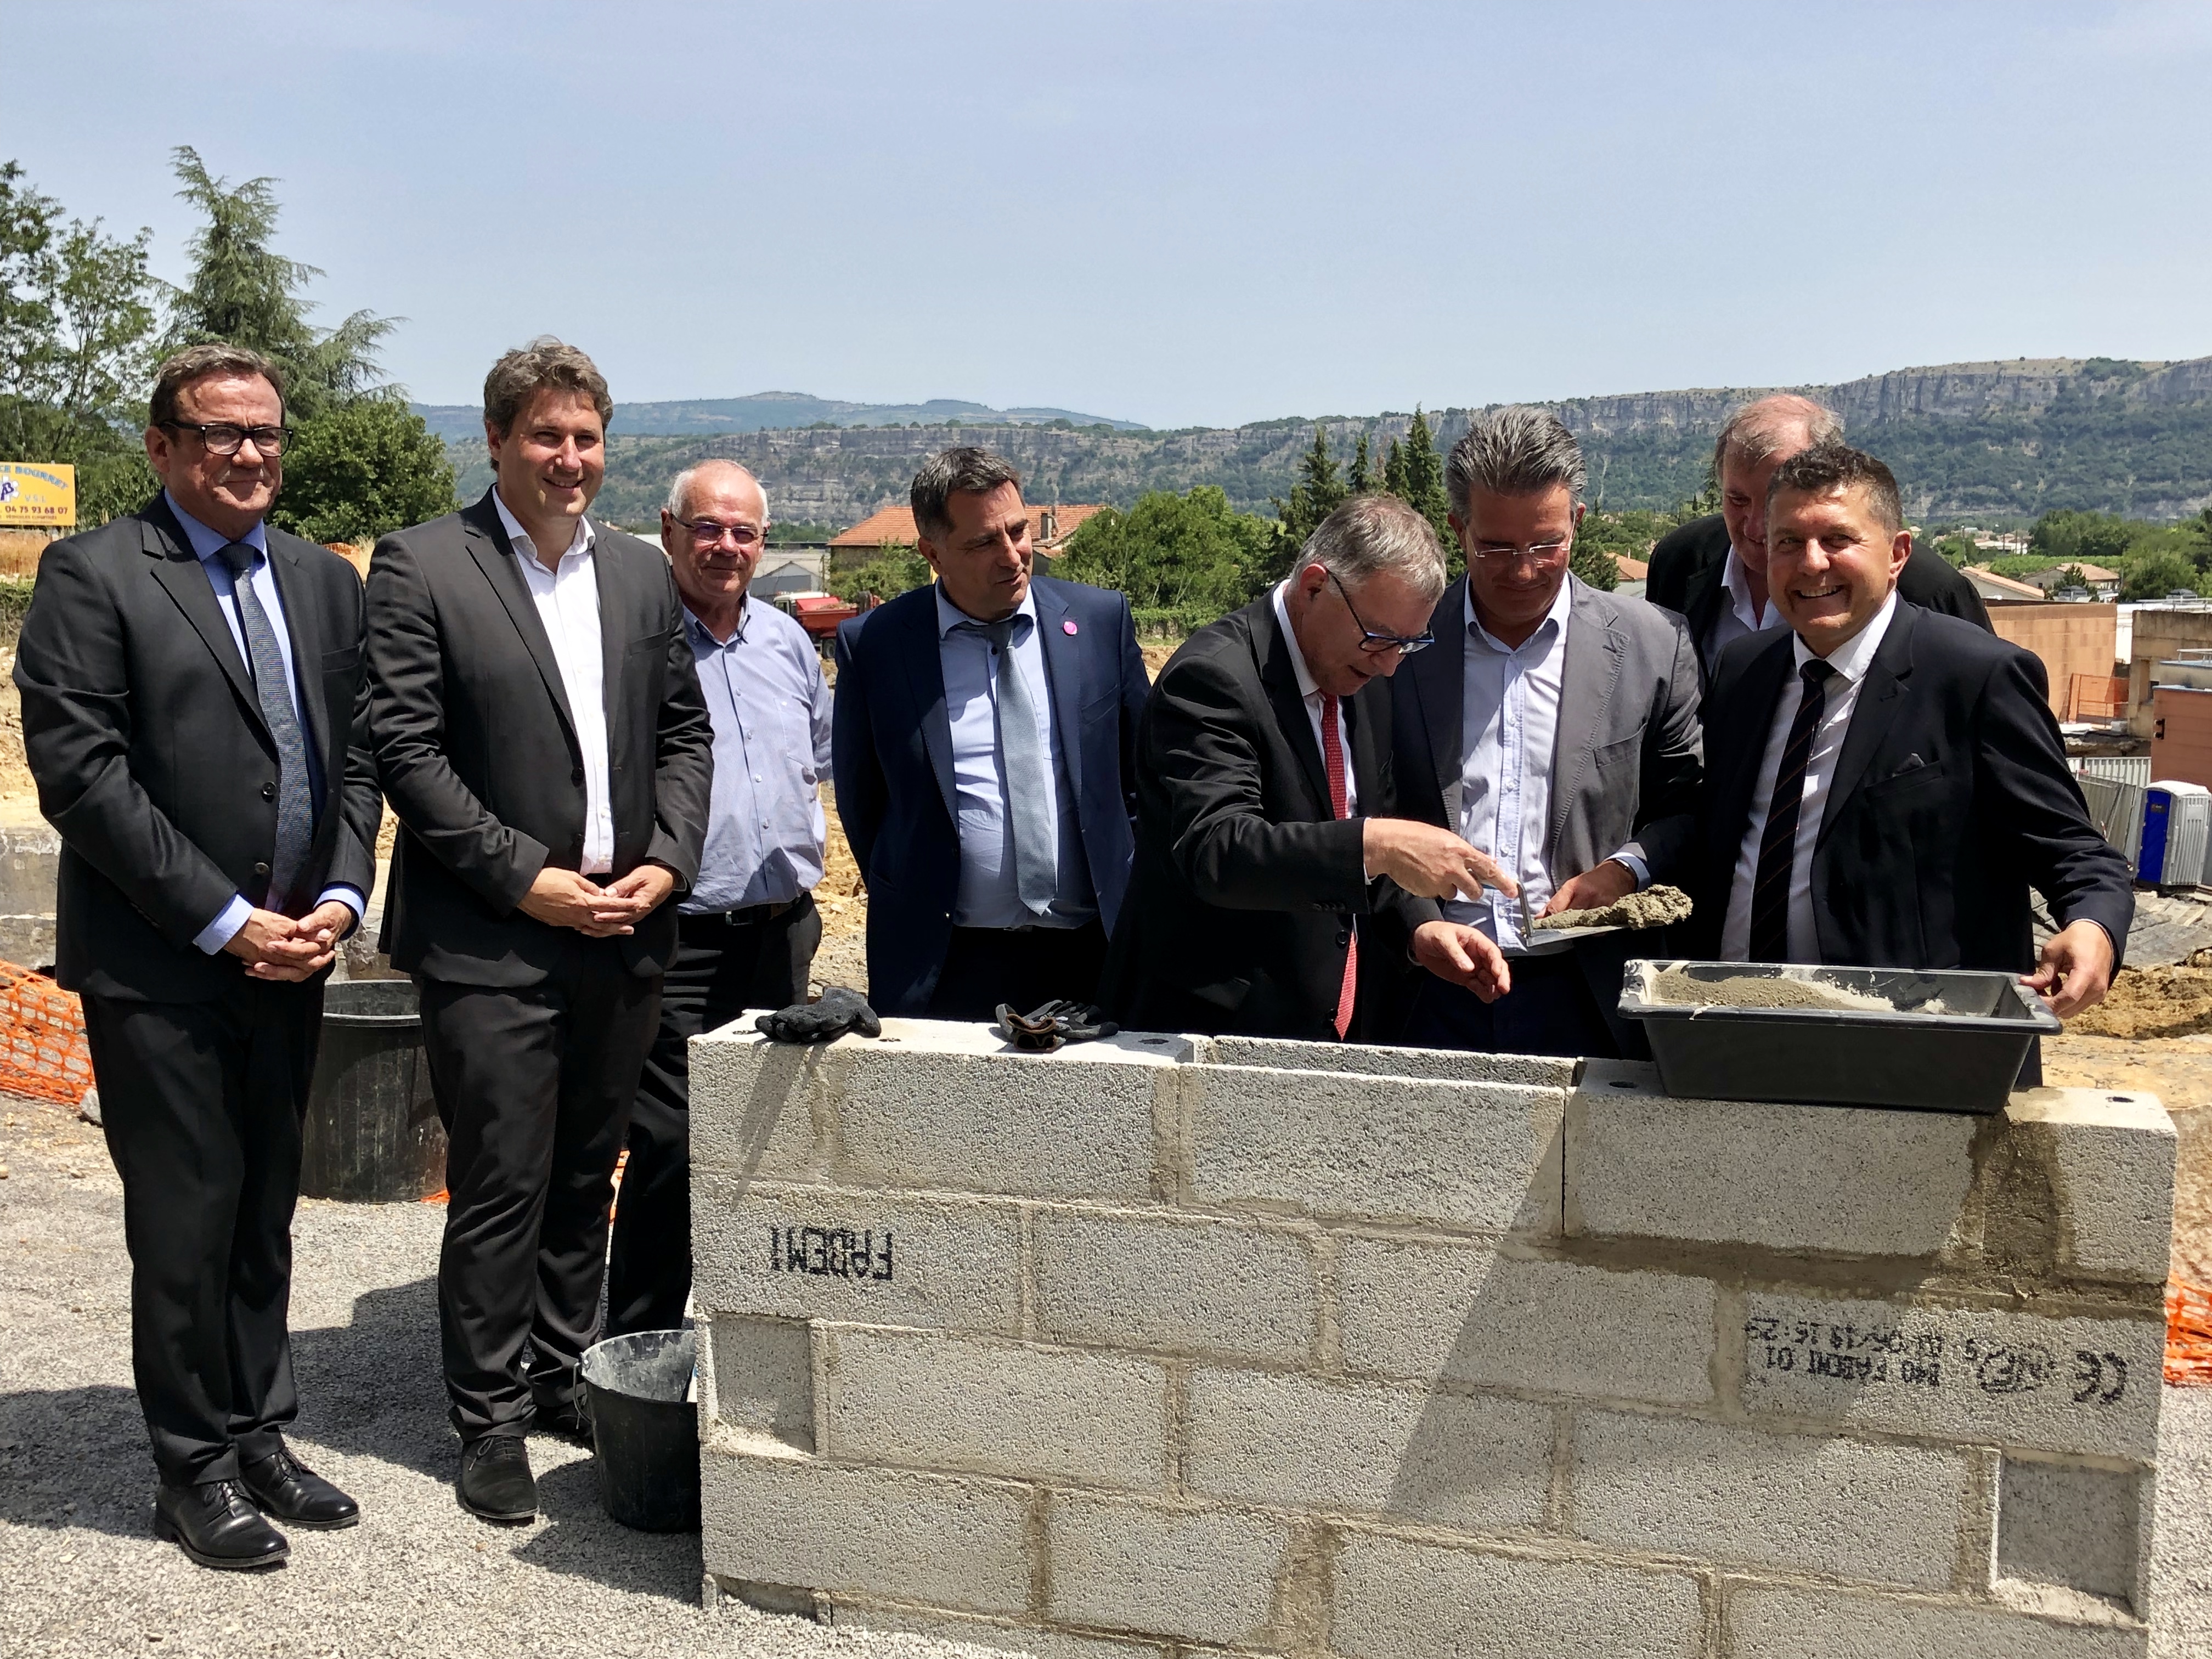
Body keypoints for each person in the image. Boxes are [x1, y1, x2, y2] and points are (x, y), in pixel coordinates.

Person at [15, 344, 382, 1568]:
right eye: (219, 432)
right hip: (164, 965)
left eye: (266, 432)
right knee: (186, 1223)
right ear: (164, 446)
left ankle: (262, 1431)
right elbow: (83, 776)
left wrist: (339, 892)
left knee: (264, 1211)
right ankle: (194, 1470)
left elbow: (356, 758)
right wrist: (226, 918)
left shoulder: (324, 583)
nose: (248, 453)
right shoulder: (95, 575)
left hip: (300, 952)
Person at [365, 338, 713, 1523]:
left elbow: (684, 736)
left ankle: (564, 1371)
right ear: (499, 442)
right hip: (493, 936)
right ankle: (488, 1419)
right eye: (547, 437)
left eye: (587, 439)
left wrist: (667, 862)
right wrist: (529, 880)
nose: (571, 460)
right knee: (504, 1181)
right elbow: (408, 753)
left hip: (626, 927)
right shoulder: (422, 566)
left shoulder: (640, 575)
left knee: (584, 1172)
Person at [1687, 443, 2130, 1062]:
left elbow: (2075, 850)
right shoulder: (1742, 671)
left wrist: (2094, 927)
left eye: (1838, 539)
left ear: (1897, 554)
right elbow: (1716, 832)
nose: (1811, 564)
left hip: (1912, 1053)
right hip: (1733, 1032)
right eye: (1787, 542)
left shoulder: (1976, 677)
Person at [1103, 494, 1515, 1040]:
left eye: (1409, 645)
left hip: (1333, 1031)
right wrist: (1377, 844)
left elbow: (1363, 833)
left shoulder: (1358, 671)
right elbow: (1219, 851)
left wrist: (1421, 927)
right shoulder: (1211, 680)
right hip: (1210, 1036)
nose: (1391, 665)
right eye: (1381, 639)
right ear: (1315, 586)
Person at [1392, 409, 1702, 1058]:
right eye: (1497, 548)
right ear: (1459, 530)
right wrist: (1417, 923)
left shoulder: (1653, 645)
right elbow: (1363, 807)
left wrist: (1626, 870)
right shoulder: (1400, 649)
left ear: (1577, 524)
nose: (1524, 570)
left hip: (1590, 993)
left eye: (1547, 545)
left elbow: (1693, 806)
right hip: (1424, 990)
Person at [604, 461, 830, 1339]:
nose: (726, 547)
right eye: (708, 528)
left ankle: (749, 1330)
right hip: (677, 939)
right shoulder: (635, 643)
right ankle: (642, 1346)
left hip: (781, 934)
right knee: (668, 1145)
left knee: (768, 1143)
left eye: (744, 532)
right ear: (669, 530)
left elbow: (820, 756)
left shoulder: (785, 643)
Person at [832, 447, 1150, 1018]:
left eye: (1018, 530)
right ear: (933, 553)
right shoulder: (878, 645)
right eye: (982, 542)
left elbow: (1140, 783)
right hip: (944, 964)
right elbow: (866, 806)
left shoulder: (1101, 622)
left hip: (1093, 955)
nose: (1012, 556)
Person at [1646, 394, 1989, 681]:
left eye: (1773, 502)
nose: (1753, 527)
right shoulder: (1680, 560)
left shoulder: (1929, 589)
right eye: (1737, 500)